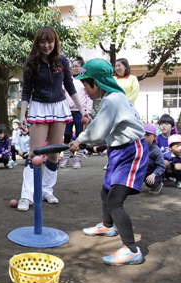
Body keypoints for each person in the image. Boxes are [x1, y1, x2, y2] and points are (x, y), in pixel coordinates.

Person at [70, 58, 149, 266]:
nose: (85, 90)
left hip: (132, 151)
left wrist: (80, 140)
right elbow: (107, 131)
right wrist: (97, 143)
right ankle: (107, 225)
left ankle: (132, 250)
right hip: (119, 150)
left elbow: (97, 130)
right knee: (106, 191)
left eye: (86, 85)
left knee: (115, 200)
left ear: (96, 83)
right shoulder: (112, 99)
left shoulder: (113, 100)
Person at [17, 26, 86, 211]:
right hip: (39, 107)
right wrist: (23, 115)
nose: (47, 45)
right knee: (34, 154)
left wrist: (82, 109)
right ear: (37, 43)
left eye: (50, 41)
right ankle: (26, 195)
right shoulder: (31, 62)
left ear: (55, 42)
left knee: (55, 154)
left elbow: (70, 86)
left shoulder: (62, 61)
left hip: (59, 108)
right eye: (43, 41)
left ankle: (47, 190)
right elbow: (26, 91)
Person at [60, 56, 93, 170]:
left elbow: (89, 97)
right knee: (67, 135)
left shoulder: (84, 80)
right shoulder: (67, 80)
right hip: (67, 112)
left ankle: (78, 159)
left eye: (76, 66)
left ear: (81, 67)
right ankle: (65, 158)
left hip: (80, 112)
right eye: (72, 66)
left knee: (80, 136)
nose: (73, 68)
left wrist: (87, 112)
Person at [143, 124, 165, 195]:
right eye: (142, 134)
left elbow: (162, 166)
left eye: (148, 135)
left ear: (155, 137)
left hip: (155, 173)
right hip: (143, 172)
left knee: (150, 183)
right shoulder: (138, 148)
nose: (144, 137)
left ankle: (158, 185)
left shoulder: (156, 151)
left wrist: (154, 174)